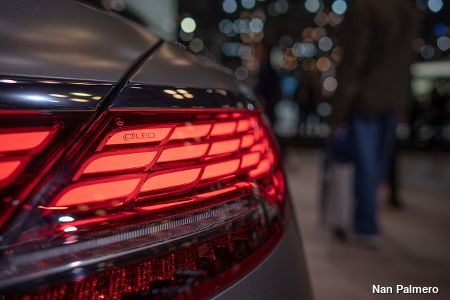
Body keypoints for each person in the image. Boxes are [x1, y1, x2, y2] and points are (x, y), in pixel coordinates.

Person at [331, 0, 418, 247]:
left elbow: (354, 60)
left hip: (365, 99)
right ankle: (366, 221)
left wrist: (338, 112)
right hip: (393, 98)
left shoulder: (364, 8)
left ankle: (364, 224)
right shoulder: (407, 10)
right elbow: (406, 61)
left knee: (362, 163)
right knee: (376, 164)